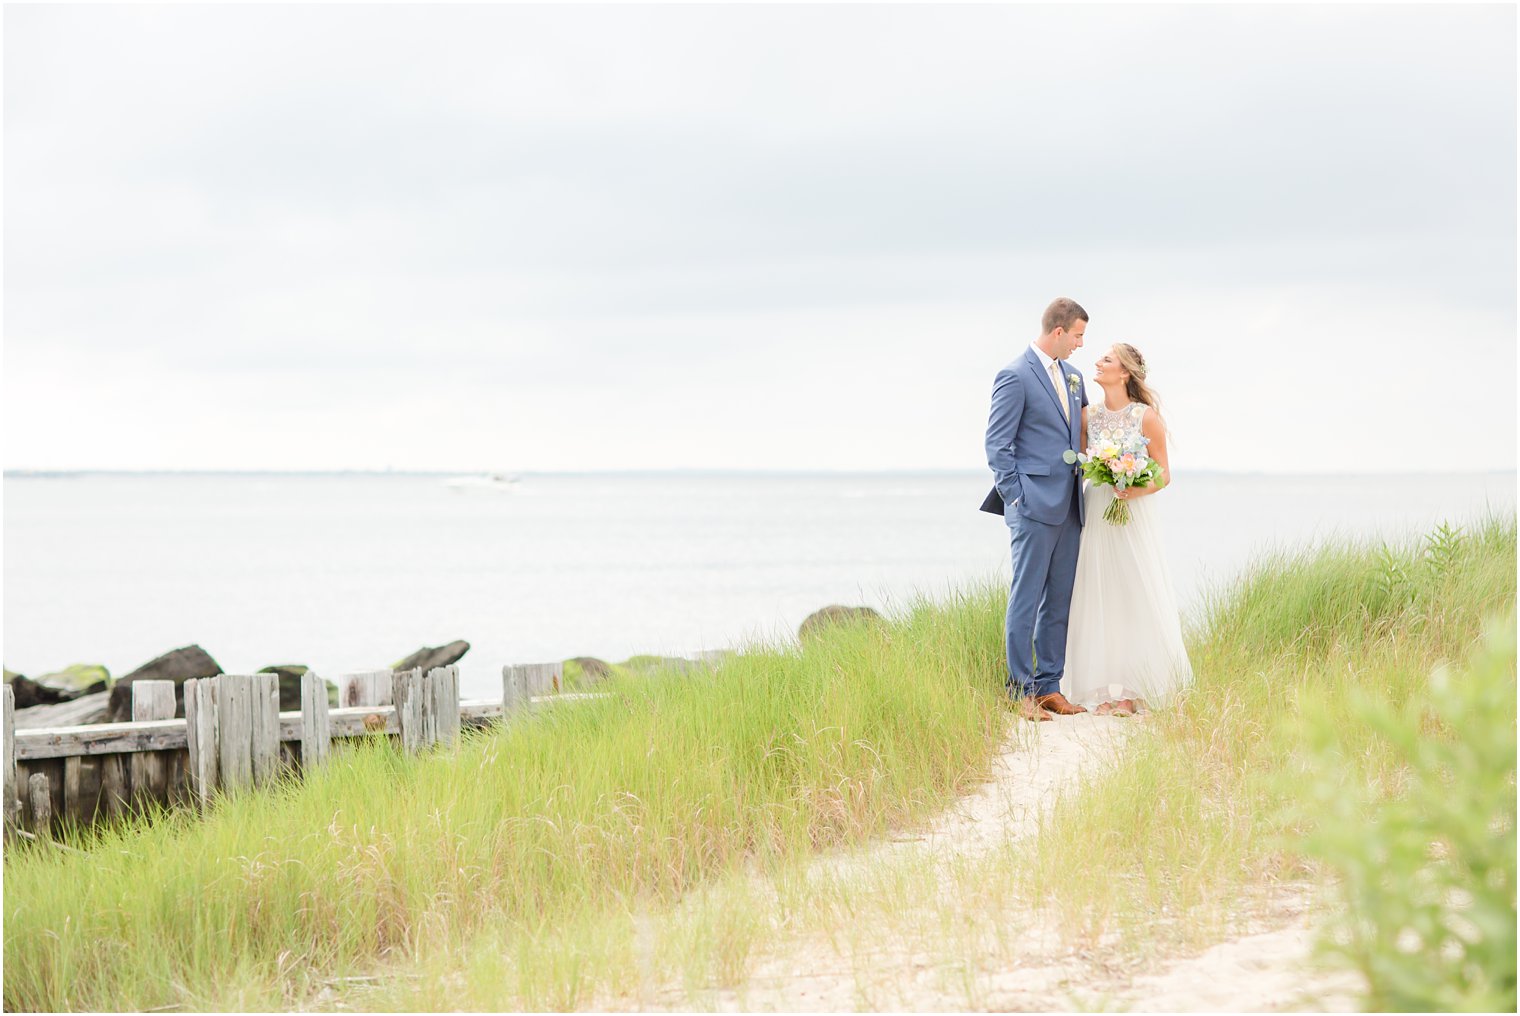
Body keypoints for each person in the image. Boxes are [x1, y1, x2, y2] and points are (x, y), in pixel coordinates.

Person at [1060, 343, 1193, 715]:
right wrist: (1103, 474)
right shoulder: (1089, 416)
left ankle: (1132, 691)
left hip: (1132, 513)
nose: (1098, 363)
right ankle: (1102, 689)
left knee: (1133, 593)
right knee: (1098, 591)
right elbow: (1083, 465)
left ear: (1124, 373)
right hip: (1099, 508)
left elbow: (1164, 473)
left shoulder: (1145, 417)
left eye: (1107, 360)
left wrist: (1132, 488)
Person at [983, 297, 1090, 722]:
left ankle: (1050, 687)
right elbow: (997, 445)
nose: (1081, 345)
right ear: (1059, 331)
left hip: (1070, 505)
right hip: (1031, 505)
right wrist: (1017, 496)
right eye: (1078, 336)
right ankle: (1020, 691)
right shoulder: (1014, 376)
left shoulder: (1076, 377)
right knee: (1025, 598)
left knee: (1059, 600)